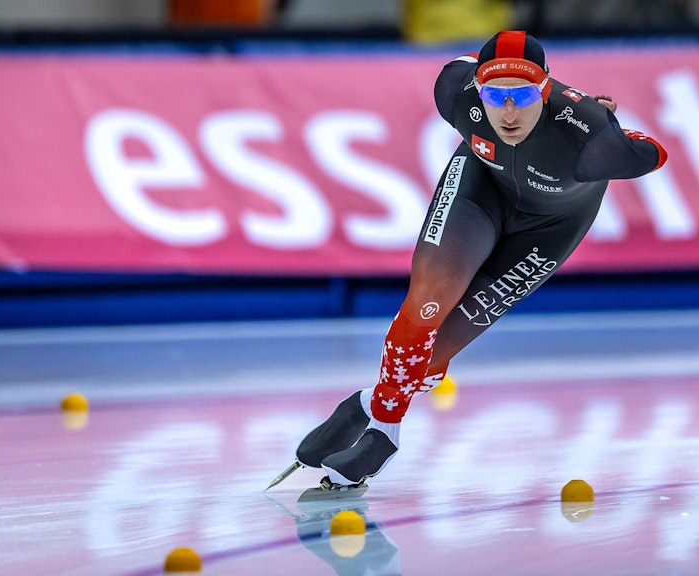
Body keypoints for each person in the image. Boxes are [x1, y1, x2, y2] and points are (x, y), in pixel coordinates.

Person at [268, 30, 667, 493]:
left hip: (549, 230)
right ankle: (385, 432)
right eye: (496, 95)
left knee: (435, 354)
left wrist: (607, 124)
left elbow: (654, 151)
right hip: (480, 190)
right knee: (426, 304)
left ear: (544, 90)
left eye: (523, 96)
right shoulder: (455, 93)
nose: (509, 112)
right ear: (478, 89)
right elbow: (465, 61)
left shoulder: (594, 145)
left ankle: (365, 404)